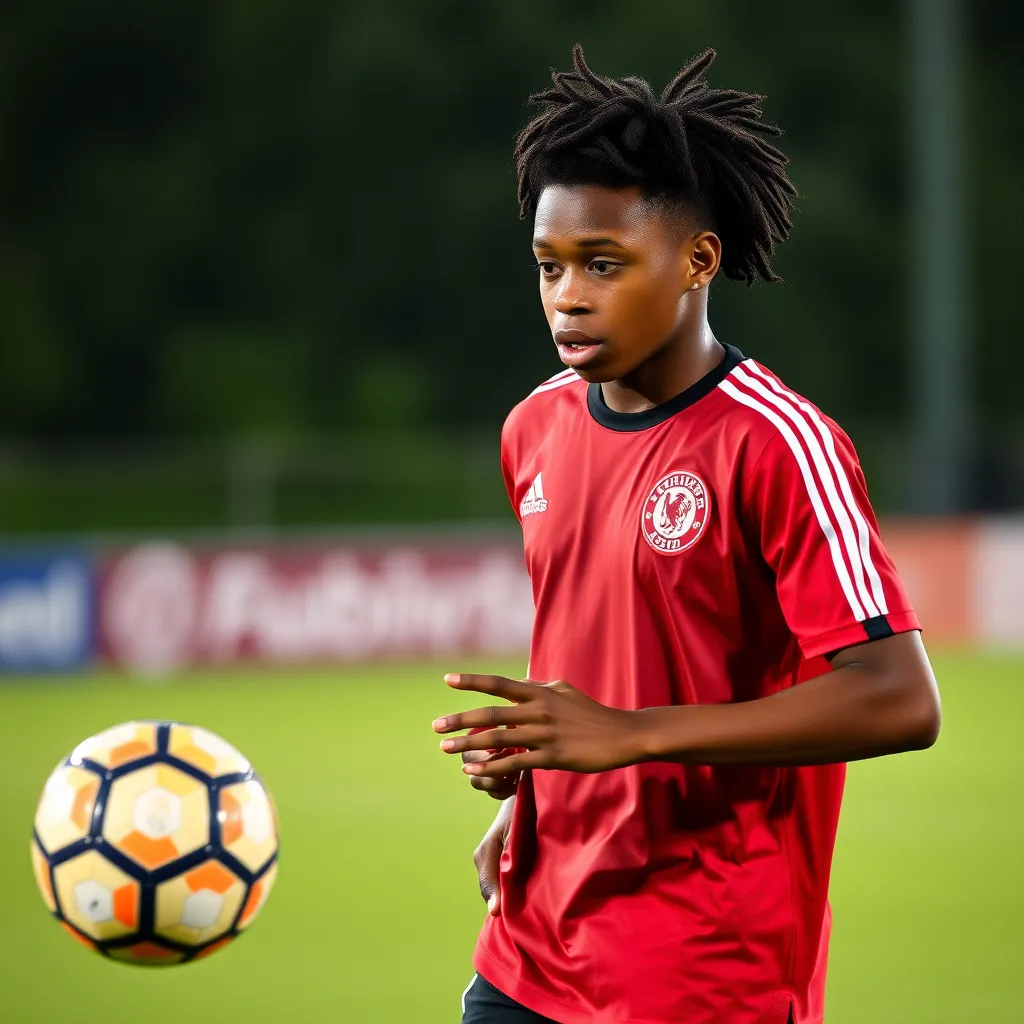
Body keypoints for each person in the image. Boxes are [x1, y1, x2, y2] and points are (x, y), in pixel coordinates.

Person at [432, 45, 940, 1024]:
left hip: (699, 974)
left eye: (602, 264)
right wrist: (530, 787)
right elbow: (611, 654)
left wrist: (630, 738)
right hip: (528, 951)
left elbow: (899, 700)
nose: (566, 295)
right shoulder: (532, 426)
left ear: (697, 262)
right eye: (548, 266)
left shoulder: (779, 443)